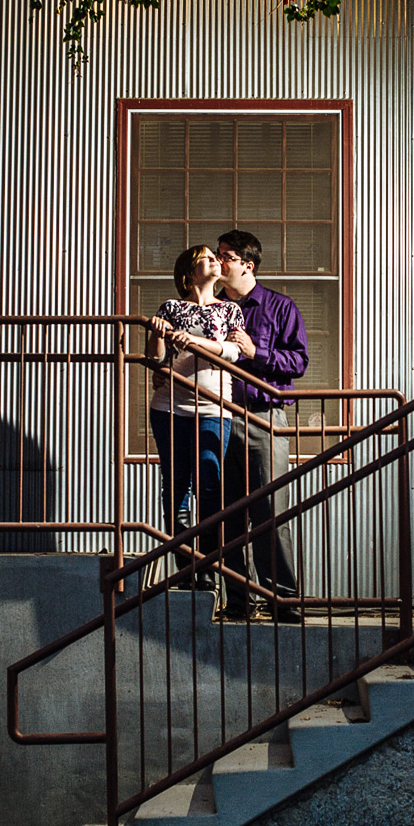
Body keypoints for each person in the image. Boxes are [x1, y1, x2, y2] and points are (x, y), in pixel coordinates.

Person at [216, 229, 309, 622]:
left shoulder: (279, 308)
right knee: (228, 515)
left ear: (246, 264)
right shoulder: (213, 309)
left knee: (271, 511)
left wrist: (257, 351)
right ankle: (239, 601)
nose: (218, 262)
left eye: (226, 256)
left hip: (264, 418)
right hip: (217, 416)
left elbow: (299, 363)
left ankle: (282, 601)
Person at [147, 245, 244, 591]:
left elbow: (234, 352)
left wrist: (198, 344)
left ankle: (207, 563)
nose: (214, 261)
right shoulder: (171, 308)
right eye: (205, 258)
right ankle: (188, 570)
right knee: (176, 487)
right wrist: (159, 333)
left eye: (215, 258)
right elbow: (155, 360)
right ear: (188, 274)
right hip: (170, 408)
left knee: (210, 484)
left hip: (214, 408)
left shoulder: (230, 310)